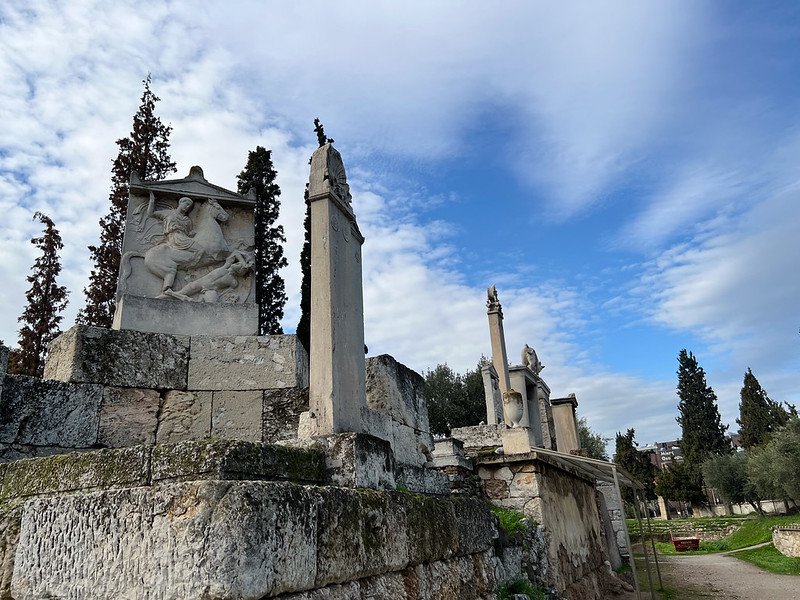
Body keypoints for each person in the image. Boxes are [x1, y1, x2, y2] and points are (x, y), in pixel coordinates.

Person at [164, 250, 253, 303]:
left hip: (209, 290)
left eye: (238, 264)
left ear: (240, 272)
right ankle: (167, 295)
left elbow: (225, 292)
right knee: (180, 293)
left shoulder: (233, 282)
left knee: (213, 304)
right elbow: (236, 253)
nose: (237, 262)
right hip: (199, 283)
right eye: (238, 262)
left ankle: (178, 295)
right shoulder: (226, 266)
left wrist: (211, 291)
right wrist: (245, 262)